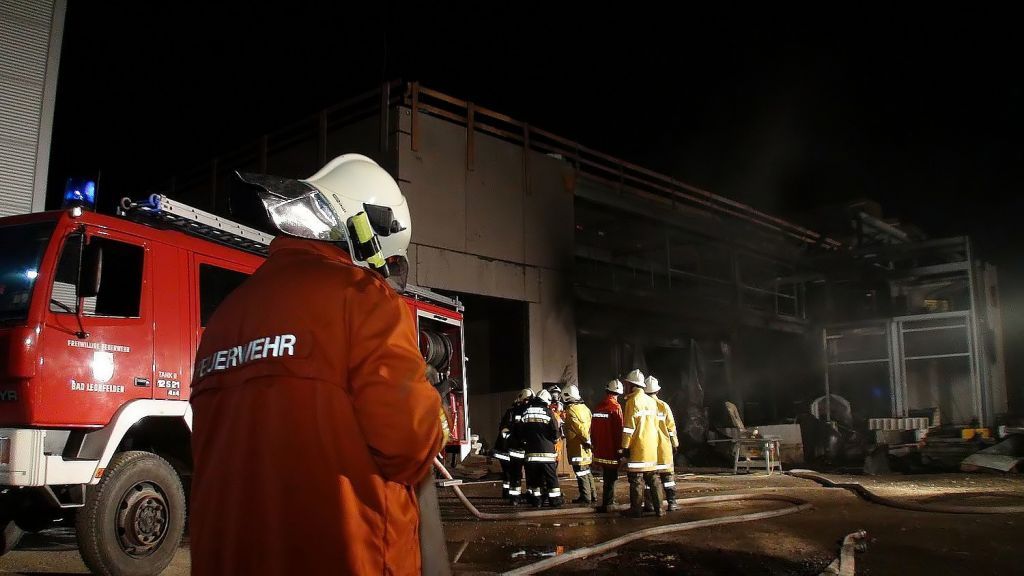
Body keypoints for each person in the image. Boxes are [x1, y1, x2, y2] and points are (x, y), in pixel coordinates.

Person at [189, 154, 444, 575]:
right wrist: (433, 409)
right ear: (368, 234)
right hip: (344, 556)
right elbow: (408, 448)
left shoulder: (225, 317)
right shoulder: (365, 301)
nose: (383, 271)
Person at [620, 368, 664, 518]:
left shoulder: (632, 402)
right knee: (653, 478)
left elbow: (628, 428)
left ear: (632, 385)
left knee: (636, 479)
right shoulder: (651, 402)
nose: (625, 387)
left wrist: (625, 447)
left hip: (638, 447)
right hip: (651, 447)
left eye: (627, 384)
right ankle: (660, 509)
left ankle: (636, 510)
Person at [516, 388, 563, 507]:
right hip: (547, 454)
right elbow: (555, 432)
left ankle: (537, 501)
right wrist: (554, 440)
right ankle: (555, 501)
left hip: (531, 453)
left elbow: (520, 431)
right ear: (546, 401)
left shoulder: (526, 412)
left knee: (535, 480)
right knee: (551, 478)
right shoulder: (548, 412)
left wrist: (525, 441)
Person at [646, 375, 680, 512]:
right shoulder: (663, 406)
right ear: (657, 391)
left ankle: (649, 504)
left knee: (649, 479)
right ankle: (672, 503)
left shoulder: (643, 406)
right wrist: (675, 444)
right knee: (668, 477)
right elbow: (671, 428)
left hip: (648, 448)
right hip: (664, 447)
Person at [591, 379, 624, 512]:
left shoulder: (598, 406)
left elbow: (593, 428)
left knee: (606, 476)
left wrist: (595, 444)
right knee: (611, 477)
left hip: (600, 449)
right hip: (612, 449)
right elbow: (619, 429)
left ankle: (606, 501)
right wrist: (621, 448)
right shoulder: (616, 407)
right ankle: (609, 503)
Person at [562, 385, 596, 504]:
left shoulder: (571, 410)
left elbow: (579, 428)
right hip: (586, 447)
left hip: (577, 447)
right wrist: (590, 441)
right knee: (587, 471)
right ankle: (593, 495)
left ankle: (585, 497)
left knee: (581, 472)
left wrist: (587, 440)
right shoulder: (585, 408)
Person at [499, 388, 534, 504]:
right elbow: (504, 429)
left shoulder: (516, 411)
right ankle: (515, 497)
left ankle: (522, 496)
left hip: (522, 448)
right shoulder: (513, 412)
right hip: (518, 448)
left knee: (523, 474)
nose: (527, 402)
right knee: (516, 474)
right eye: (527, 400)